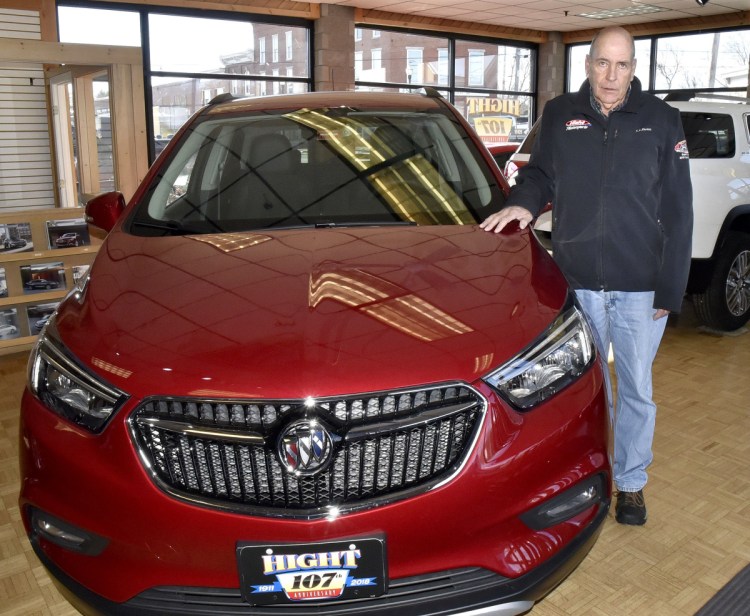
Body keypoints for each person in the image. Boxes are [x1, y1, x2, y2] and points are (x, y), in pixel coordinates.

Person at [481, 26, 693, 526]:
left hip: (641, 286)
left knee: (636, 388)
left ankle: (633, 483)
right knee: (583, 390)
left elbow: (679, 209)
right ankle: (586, 475)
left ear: (634, 67)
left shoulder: (662, 121)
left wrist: (671, 286)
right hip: (578, 283)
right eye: (602, 63)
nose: (611, 76)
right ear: (589, 64)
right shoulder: (560, 114)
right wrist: (521, 206)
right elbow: (538, 176)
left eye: (621, 65)